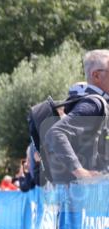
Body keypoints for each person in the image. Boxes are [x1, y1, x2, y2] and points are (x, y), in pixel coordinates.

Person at [45, 49, 109, 181]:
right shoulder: (94, 103)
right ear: (96, 76)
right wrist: (80, 172)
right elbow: (55, 132)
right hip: (90, 193)